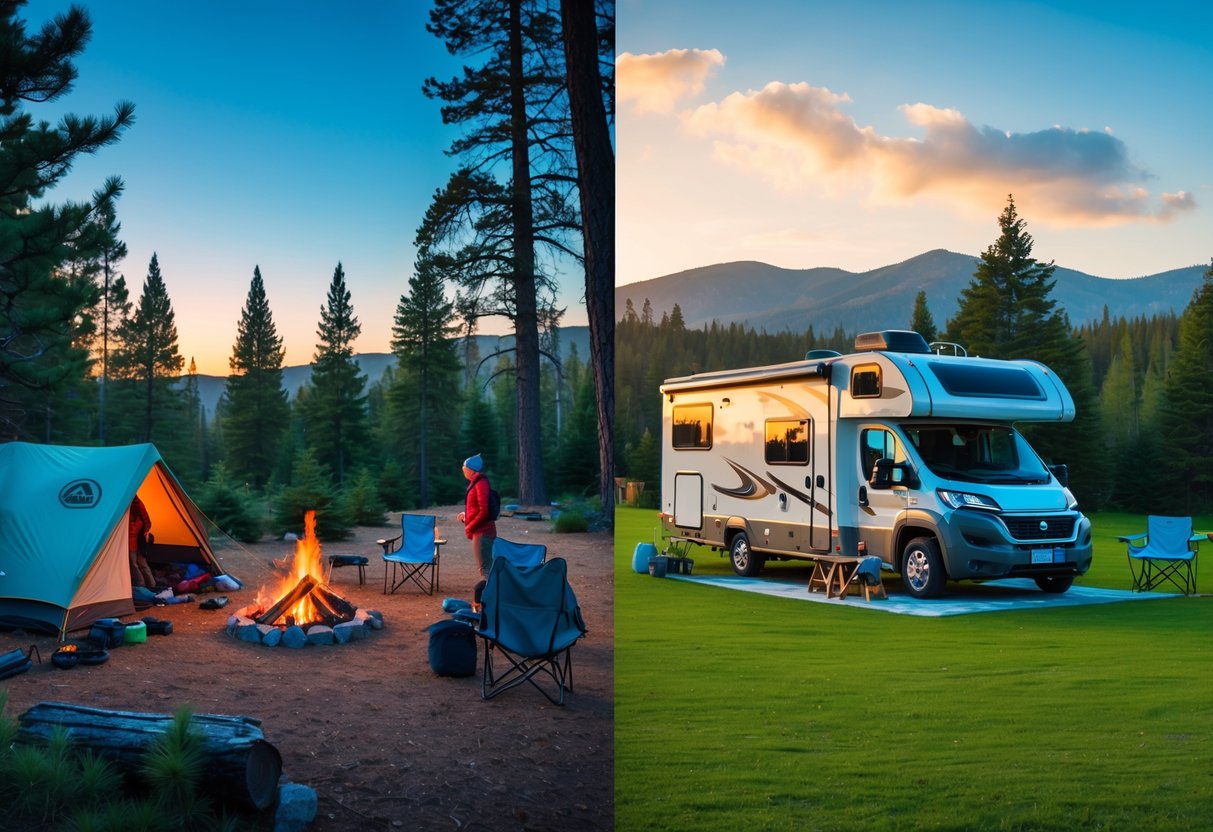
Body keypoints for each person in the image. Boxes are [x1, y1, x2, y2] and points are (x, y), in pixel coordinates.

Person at [457, 454, 496, 602]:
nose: (463, 471)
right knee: (486, 567)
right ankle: (493, 599)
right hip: (480, 531)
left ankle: (492, 601)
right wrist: (467, 516)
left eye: (464, 468)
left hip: (482, 532)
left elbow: (484, 511)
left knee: (485, 568)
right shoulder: (476, 482)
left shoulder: (481, 483)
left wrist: (470, 525)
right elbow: (477, 508)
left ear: (472, 470)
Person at [128, 494, 155, 588]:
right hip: (138, 540)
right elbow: (146, 520)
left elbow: (146, 520)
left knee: (135, 564)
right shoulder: (136, 504)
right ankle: (150, 585)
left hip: (136, 540)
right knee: (140, 564)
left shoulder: (134, 504)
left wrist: (145, 532)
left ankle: (143, 585)